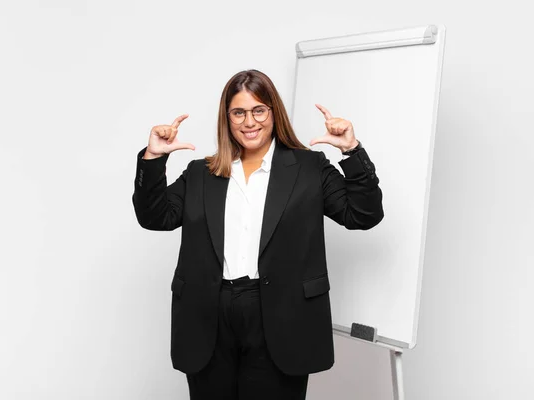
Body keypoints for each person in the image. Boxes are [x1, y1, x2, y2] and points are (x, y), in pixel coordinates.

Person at [132, 69, 383, 400]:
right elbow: (155, 217)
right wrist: (154, 158)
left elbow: (363, 215)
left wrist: (350, 150)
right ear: (227, 118)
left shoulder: (309, 168)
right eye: (239, 112)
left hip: (281, 314)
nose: (249, 122)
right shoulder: (201, 173)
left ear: (273, 113)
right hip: (210, 313)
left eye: (258, 110)